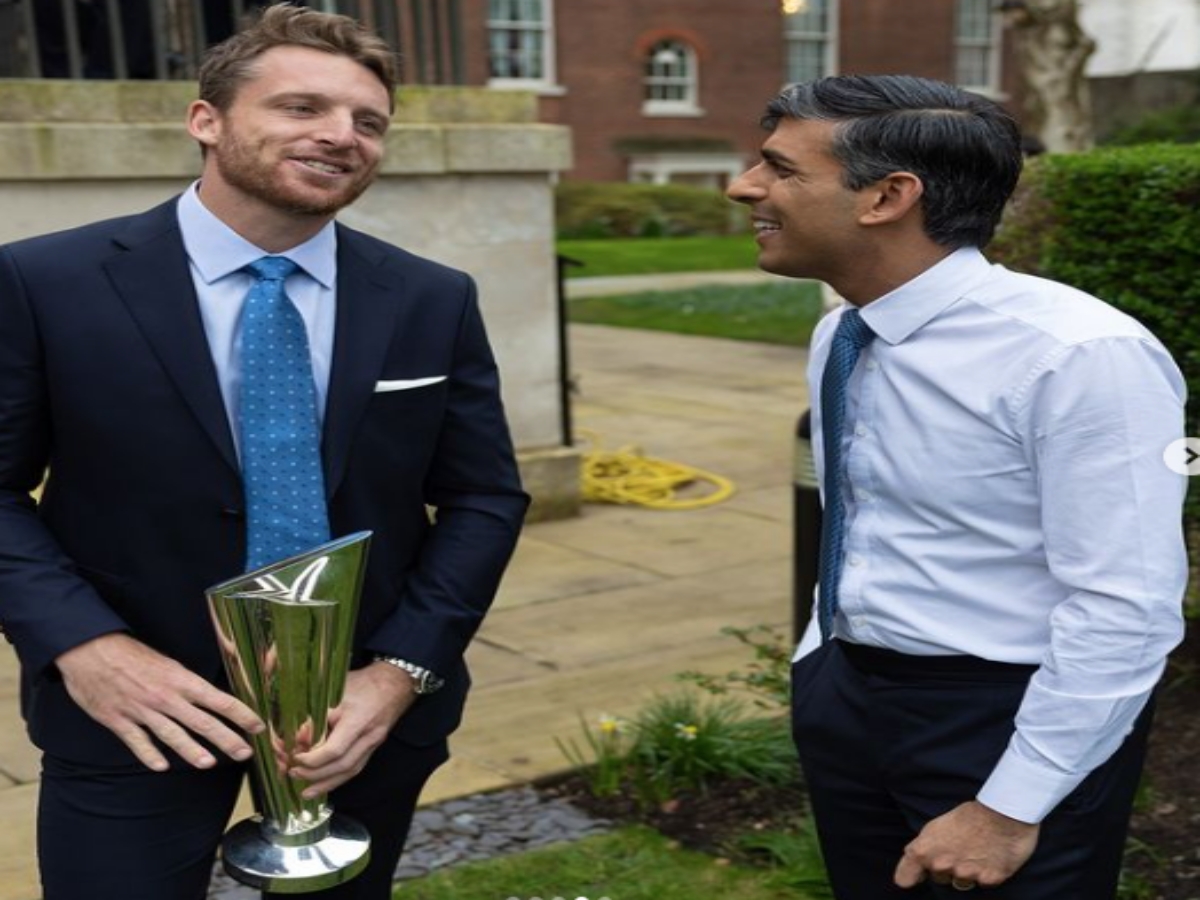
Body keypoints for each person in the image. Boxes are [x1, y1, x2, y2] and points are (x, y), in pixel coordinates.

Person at [0, 5, 527, 899]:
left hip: (360, 714)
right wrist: (87, 648)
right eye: (301, 108)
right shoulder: (43, 280)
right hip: (140, 709)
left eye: (369, 123)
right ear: (206, 119)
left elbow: (484, 498)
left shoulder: (431, 297)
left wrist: (399, 674)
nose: (341, 136)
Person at [727, 75, 1187, 899]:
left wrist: (1010, 807)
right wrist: (819, 669)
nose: (744, 187)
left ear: (889, 197)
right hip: (849, 694)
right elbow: (865, 521)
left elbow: (1128, 607)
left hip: (1004, 720)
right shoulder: (842, 329)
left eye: (782, 170)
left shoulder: (1082, 356)